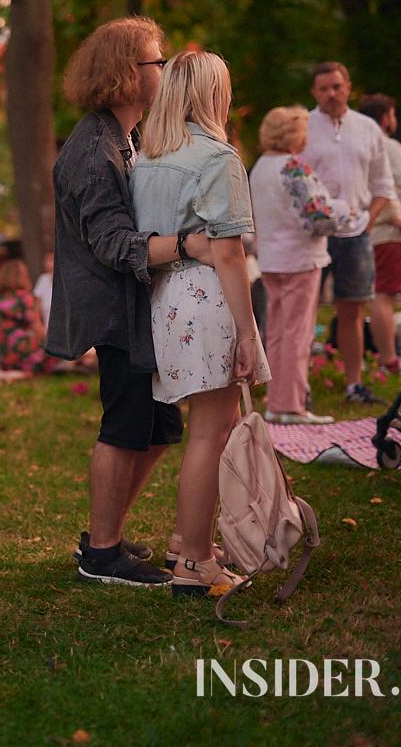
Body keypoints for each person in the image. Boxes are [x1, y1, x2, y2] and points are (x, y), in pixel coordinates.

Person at [48, 16, 213, 587]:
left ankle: (105, 534)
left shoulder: (129, 136)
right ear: (125, 73)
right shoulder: (94, 152)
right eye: (155, 61)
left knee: (160, 429)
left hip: (140, 306)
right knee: (124, 425)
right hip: (115, 310)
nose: (164, 70)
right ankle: (101, 553)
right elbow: (113, 242)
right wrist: (192, 244)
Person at [131, 50, 270, 595]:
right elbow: (230, 256)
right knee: (211, 433)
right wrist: (249, 331)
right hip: (209, 299)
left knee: (208, 429)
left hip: (166, 299)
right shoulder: (217, 157)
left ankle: (187, 543)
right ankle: (194, 561)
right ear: (215, 94)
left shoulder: (148, 158)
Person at [250, 106, 359, 425]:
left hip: (270, 258)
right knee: (298, 333)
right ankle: (291, 405)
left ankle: (276, 401)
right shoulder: (294, 166)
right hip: (300, 258)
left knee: (278, 331)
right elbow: (318, 216)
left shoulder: (260, 167)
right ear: (293, 134)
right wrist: (346, 211)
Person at [300, 62, 394, 404]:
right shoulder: (303, 127)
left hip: (356, 233)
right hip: (311, 234)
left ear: (348, 86)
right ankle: (300, 388)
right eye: (323, 88)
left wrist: (369, 221)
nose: (331, 94)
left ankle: (354, 385)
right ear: (314, 92)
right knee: (304, 311)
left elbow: (384, 184)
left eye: (337, 86)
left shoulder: (368, 128)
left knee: (352, 310)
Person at [358, 94, 401, 373]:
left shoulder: (356, 146)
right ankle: (389, 359)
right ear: (385, 117)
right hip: (388, 228)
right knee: (384, 296)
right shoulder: (390, 146)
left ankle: (365, 357)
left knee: (363, 298)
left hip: (361, 231)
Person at [0, 259, 57, 375]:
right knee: (57, 355)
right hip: (23, 351)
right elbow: (37, 328)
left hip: (2, 354)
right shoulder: (26, 298)